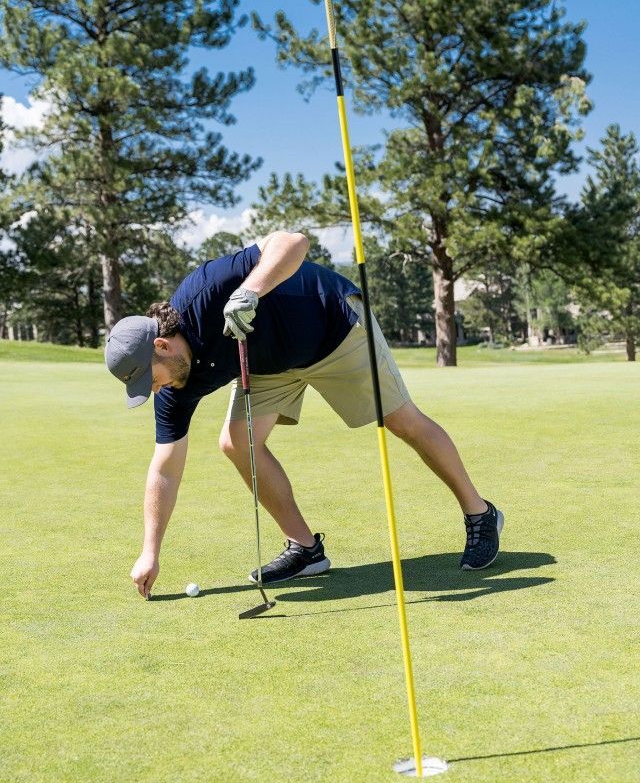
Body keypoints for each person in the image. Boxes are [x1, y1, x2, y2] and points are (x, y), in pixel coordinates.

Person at [105, 230, 504, 599]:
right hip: (269, 364)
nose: (154, 391)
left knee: (403, 420)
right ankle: (306, 549)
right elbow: (164, 469)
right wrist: (149, 552)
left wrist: (249, 292)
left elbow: (293, 241)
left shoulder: (204, 289)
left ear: (161, 345)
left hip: (333, 326)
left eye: (149, 380)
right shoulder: (173, 387)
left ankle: (480, 513)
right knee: (237, 442)